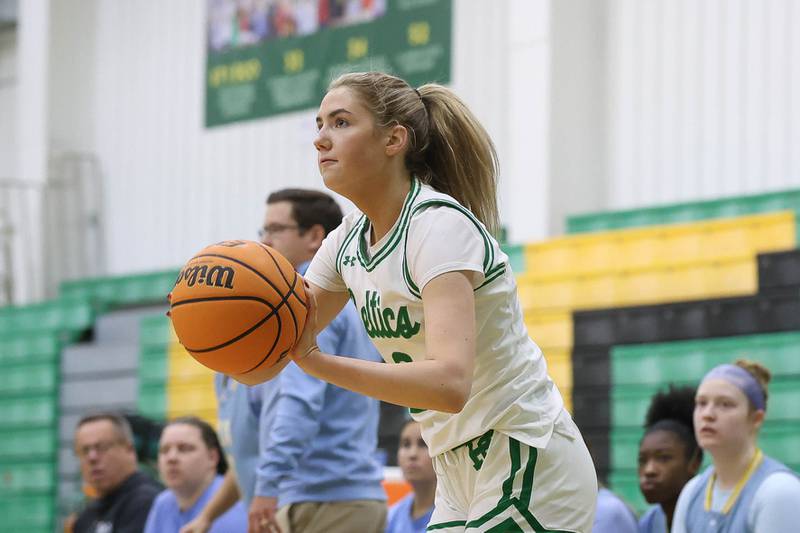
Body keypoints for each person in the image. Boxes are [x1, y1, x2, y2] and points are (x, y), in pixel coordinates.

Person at [290, 71, 598, 531]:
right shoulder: (345, 242)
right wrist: (217, 313)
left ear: (394, 139)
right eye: (319, 124)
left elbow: (449, 385)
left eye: (340, 122)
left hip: (523, 452)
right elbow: (282, 335)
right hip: (455, 468)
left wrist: (319, 363)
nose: (320, 139)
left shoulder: (437, 225)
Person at [182, 188, 386, 533]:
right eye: (263, 231)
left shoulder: (305, 303)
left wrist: (268, 487)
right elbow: (249, 449)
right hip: (316, 498)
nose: (264, 241)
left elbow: (298, 403)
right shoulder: (288, 307)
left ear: (315, 236)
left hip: (328, 503)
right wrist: (208, 516)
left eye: (276, 230)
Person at [672, 359, 800, 532]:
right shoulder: (692, 491)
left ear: (756, 419)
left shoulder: (778, 491)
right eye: (702, 403)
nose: (707, 414)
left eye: (725, 404)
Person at [144, 417, 247, 532]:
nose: (171, 458)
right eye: (164, 450)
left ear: (212, 457)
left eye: (184, 449)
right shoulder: (162, 503)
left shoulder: (232, 502)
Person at [73, 412, 162, 533]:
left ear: (129, 449)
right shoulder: (84, 518)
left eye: (102, 447)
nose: (92, 457)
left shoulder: (148, 503)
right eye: (85, 450)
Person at [637, 385, 701, 533]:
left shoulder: (708, 519)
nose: (649, 470)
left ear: (694, 461)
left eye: (664, 458)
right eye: (642, 460)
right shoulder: (649, 522)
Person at [386, 419, 436, 533]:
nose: (412, 454)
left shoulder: (455, 514)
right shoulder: (392, 517)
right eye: (406, 444)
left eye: (423, 444)